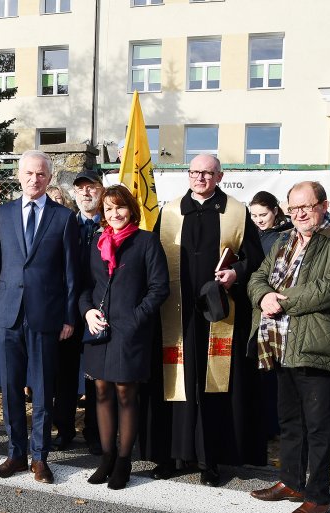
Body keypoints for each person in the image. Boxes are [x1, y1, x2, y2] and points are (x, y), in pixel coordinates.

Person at [248, 181, 330, 513]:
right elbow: (258, 276)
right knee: (289, 420)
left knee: (318, 426)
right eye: (293, 207)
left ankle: (319, 497)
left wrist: (282, 301)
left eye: (306, 207)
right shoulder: (284, 239)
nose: (299, 214)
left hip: (317, 343)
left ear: (323, 205)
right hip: (280, 341)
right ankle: (292, 482)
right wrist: (263, 296)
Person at [147, 154, 265, 486]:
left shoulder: (237, 212)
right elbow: (154, 259)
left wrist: (235, 272)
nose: (201, 177)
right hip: (176, 313)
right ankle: (171, 454)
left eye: (208, 173)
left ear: (220, 176)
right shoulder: (169, 211)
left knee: (215, 385)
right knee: (176, 383)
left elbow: (255, 258)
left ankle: (211, 459)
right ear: (188, 175)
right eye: (196, 172)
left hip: (219, 315)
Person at [0, 150, 78, 484]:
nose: (34, 179)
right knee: (10, 390)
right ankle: (15, 454)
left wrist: (69, 317)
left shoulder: (63, 218)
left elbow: (71, 274)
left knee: (42, 389)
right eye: (28, 173)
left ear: (49, 177)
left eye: (41, 174)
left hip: (46, 316)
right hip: (8, 314)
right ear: (19, 175)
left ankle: (39, 457)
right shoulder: (4, 214)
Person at [81, 185, 169, 489]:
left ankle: (123, 461)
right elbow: (85, 285)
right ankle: (106, 457)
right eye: (108, 209)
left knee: (124, 394)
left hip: (130, 331)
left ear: (130, 208)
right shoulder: (96, 241)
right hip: (98, 329)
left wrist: (134, 319)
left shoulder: (146, 242)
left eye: (119, 207)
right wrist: (87, 312)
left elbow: (159, 288)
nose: (114, 214)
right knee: (101, 392)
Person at [53, 170, 104, 455]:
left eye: (92, 188)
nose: (86, 193)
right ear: (74, 193)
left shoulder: (111, 226)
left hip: (99, 311)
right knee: (65, 374)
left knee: (96, 375)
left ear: (101, 191)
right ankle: (64, 429)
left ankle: (95, 431)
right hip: (69, 313)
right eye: (81, 189)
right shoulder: (65, 224)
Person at [248, 190, 292, 440]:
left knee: (272, 370)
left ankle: (272, 425)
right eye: (253, 215)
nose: (258, 219)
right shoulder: (252, 233)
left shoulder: (284, 236)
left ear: (275, 211)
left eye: (262, 214)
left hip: (273, 307)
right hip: (253, 303)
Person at [249, 191, 292, 256]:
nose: (258, 220)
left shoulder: (286, 234)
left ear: (275, 211)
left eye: (263, 215)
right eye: (254, 216)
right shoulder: (251, 232)